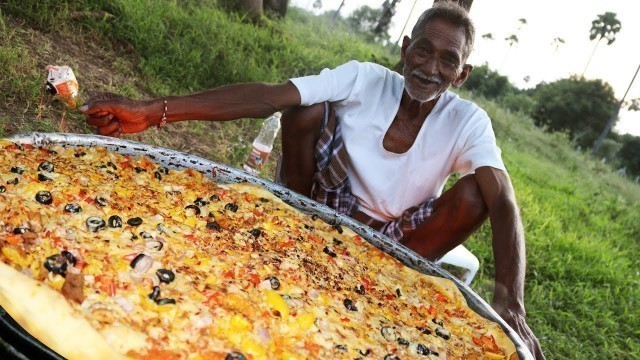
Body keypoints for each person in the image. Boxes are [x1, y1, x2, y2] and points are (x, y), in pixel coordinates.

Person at [81, 2, 545, 358]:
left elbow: (503, 201)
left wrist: (511, 302)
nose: (429, 67)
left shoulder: (468, 120)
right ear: (405, 48)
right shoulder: (364, 78)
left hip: (397, 240)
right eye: (423, 49)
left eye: (447, 60)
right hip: (323, 204)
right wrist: (153, 112)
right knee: (305, 108)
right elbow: (270, 97)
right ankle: (290, 221)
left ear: (461, 74)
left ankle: (388, 285)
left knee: (477, 193)